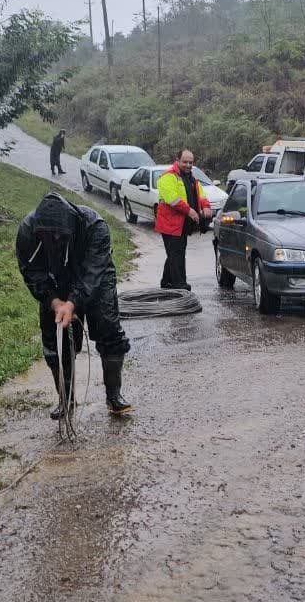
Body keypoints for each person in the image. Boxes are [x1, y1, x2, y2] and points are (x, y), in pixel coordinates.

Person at [16, 192, 132, 417]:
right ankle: (66, 399)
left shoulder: (94, 226)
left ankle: (113, 396)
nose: (55, 240)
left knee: (109, 329)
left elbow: (93, 272)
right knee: (54, 340)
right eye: (49, 236)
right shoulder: (27, 231)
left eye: (60, 235)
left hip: (96, 276)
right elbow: (31, 272)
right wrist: (55, 301)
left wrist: (73, 303)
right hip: (56, 281)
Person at [154, 149, 212, 290]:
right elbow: (172, 199)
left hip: (182, 225)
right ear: (177, 160)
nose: (187, 165)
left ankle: (166, 282)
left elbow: (202, 196)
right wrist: (190, 211)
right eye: (185, 162)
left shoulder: (192, 178)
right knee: (176, 254)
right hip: (170, 224)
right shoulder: (167, 177)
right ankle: (180, 285)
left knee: (175, 254)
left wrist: (206, 207)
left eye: (190, 162)